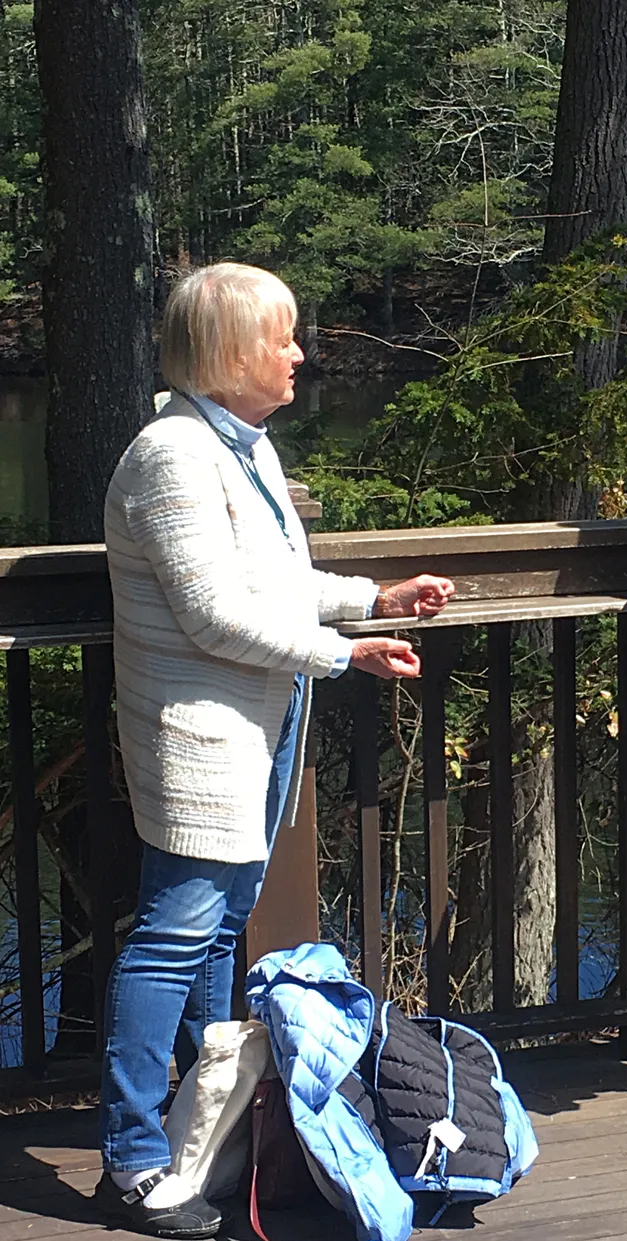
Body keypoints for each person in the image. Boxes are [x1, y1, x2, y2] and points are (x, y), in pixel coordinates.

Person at [95, 262, 455, 1237]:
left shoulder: (234, 448)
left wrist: (373, 599)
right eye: (283, 336)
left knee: (214, 933)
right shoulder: (173, 453)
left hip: (253, 739)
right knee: (173, 936)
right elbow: (216, 615)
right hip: (196, 740)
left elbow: (276, 581)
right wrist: (348, 650)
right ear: (225, 352)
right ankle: (130, 1157)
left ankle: (199, 1136)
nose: (300, 352)